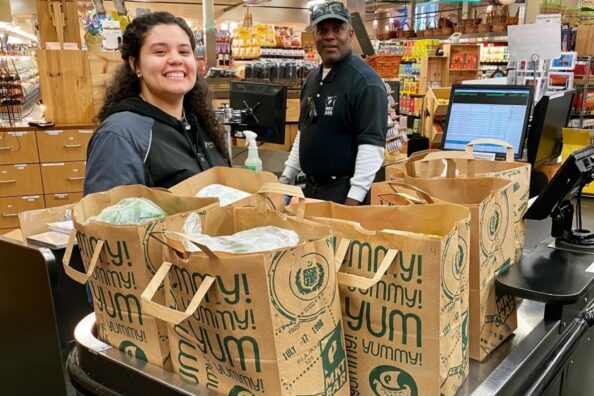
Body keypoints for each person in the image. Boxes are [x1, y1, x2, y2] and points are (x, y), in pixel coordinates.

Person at [84, 12, 229, 195]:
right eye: (160, 52)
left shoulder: (197, 121)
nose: (176, 59)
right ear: (136, 65)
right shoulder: (118, 135)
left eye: (184, 51)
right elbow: (110, 219)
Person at [279, 1, 387, 205]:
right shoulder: (312, 78)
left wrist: (353, 200)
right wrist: (285, 178)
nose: (329, 36)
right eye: (322, 30)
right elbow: (304, 132)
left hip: (343, 195)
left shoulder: (365, 82)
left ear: (351, 34)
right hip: (311, 190)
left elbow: (371, 147)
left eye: (337, 29)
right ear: (314, 36)